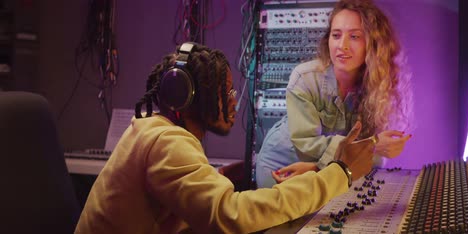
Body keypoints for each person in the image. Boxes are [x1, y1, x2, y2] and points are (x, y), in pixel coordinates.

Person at [75, 42, 376, 233]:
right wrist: (341, 172)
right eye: (227, 92)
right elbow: (229, 217)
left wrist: (216, 179)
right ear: (188, 96)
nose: (235, 102)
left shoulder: (153, 130)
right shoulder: (166, 143)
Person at [256, 0, 414, 188]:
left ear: (373, 43)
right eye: (336, 35)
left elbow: (371, 156)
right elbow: (307, 145)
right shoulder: (304, 78)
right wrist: (369, 146)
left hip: (323, 168)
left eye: (354, 36)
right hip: (282, 167)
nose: (342, 45)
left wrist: (375, 147)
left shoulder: (377, 87)